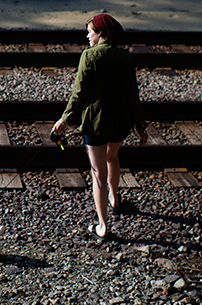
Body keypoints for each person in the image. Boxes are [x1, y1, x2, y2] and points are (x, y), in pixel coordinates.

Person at [53, 13, 147, 240]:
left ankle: (103, 226)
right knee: (112, 158)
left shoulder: (89, 56)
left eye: (90, 31)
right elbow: (133, 95)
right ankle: (115, 199)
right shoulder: (126, 58)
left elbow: (79, 93)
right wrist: (140, 126)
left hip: (95, 123)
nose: (87, 35)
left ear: (101, 34)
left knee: (97, 173)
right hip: (120, 121)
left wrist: (65, 120)